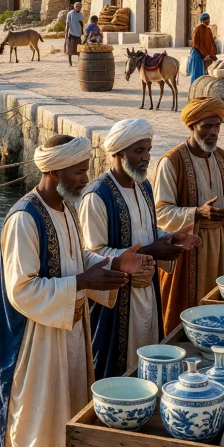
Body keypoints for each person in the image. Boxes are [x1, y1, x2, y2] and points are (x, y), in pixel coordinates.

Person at [0, 135, 153, 447]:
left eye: (85, 171)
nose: (85, 180)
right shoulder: (24, 219)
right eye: (78, 172)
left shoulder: (66, 209)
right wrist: (84, 282)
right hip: (35, 343)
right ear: (54, 172)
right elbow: (21, 289)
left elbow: (77, 260)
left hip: (69, 331)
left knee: (67, 408)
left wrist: (115, 264)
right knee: (39, 423)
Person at [80, 118, 201, 378]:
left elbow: (148, 231)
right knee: (115, 367)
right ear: (119, 153)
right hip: (116, 302)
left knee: (149, 354)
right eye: (139, 151)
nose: (146, 157)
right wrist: (152, 250)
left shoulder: (144, 185)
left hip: (147, 291)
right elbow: (91, 254)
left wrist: (171, 239)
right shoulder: (97, 196)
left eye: (148, 149)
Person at [153, 97, 224, 335]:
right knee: (181, 316)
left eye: (217, 126)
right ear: (192, 125)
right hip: (187, 253)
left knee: (217, 310)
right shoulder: (171, 162)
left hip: (219, 247)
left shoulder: (223, 158)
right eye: (207, 126)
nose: (213, 132)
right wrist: (196, 213)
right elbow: (160, 213)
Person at [186, 13, 217, 83]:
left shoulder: (208, 30)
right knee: (196, 73)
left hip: (205, 55)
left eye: (209, 20)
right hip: (197, 54)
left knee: (203, 74)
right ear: (203, 20)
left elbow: (211, 43)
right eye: (207, 20)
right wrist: (204, 54)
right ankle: (193, 89)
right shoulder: (197, 29)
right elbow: (196, 44)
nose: (209, 21)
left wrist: (211, 53)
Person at [64, 1, 85, 67]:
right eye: (77, 7)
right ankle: (70, 63)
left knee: (79, 49)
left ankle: (79, 62)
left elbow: (81, 24)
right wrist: (66, 33)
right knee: (70, 49)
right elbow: (68, 23)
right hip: (71, 33)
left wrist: (82, 32)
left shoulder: (81, 15)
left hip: (78, 33)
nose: (78, 8)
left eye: (80, 7)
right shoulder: (70, 14)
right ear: (75, 7)